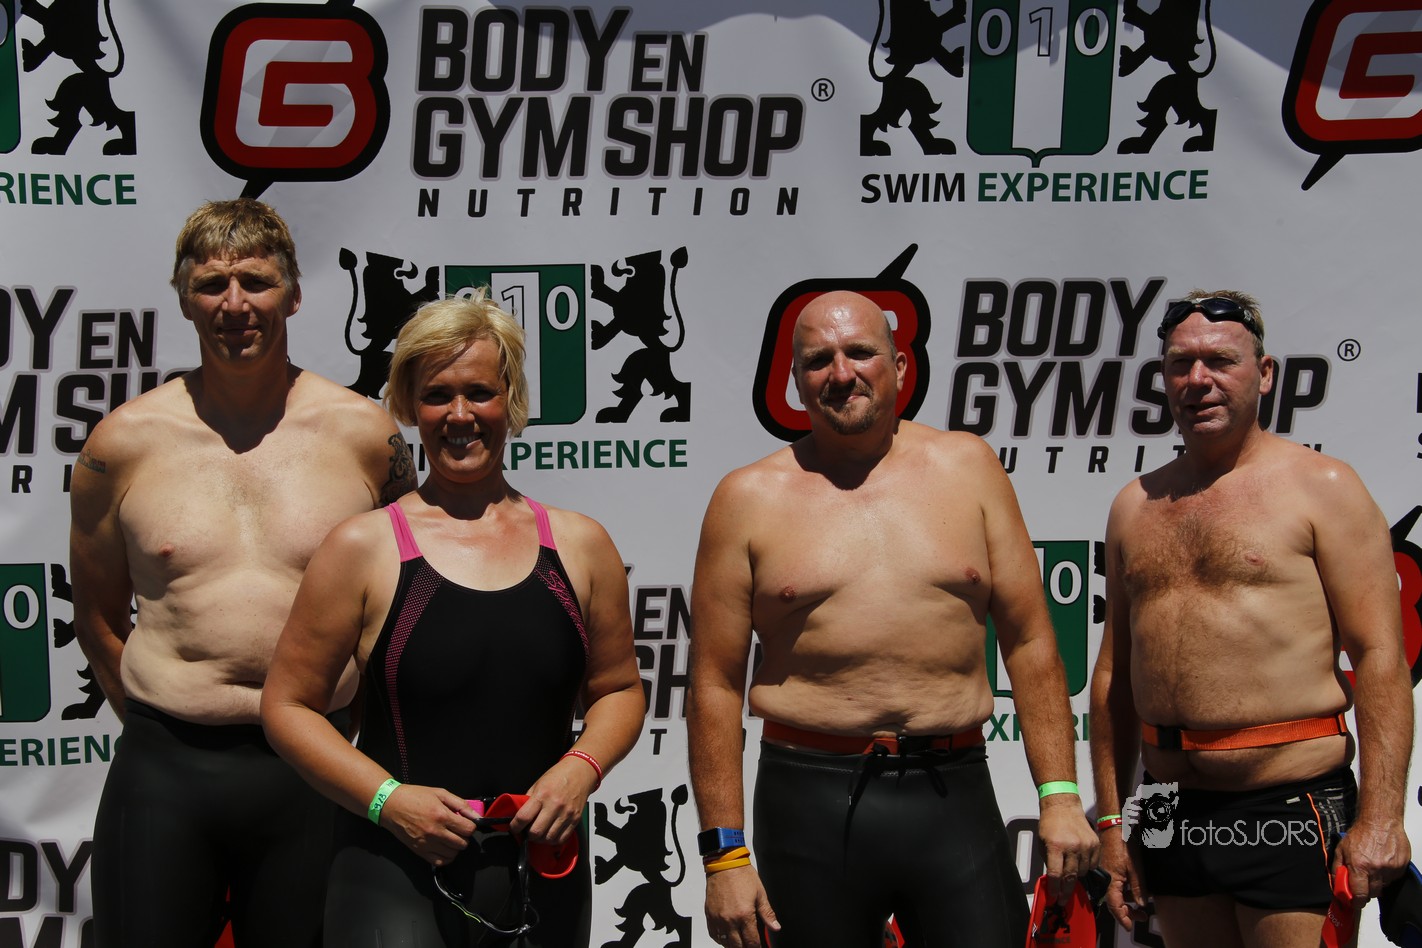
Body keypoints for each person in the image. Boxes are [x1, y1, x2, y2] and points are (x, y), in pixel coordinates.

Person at [687, 290, 1097, 948]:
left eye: (860, 352)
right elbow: (713, 684)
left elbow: (1029, 642)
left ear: (900, 366)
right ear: (794, 379)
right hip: (807, 800)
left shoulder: (969, 467)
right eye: (818, 359)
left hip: (953, 794)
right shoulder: (747, 498)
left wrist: (1060, 795)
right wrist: (725, 856)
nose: (840, 372)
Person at [69, 198, 417, 947]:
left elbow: (400, 605)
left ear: (294, 293)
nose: (234, 305)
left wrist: (350, 740)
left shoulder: (365, 435)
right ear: (183, 298)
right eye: (211, 285)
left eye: (256, 282)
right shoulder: (120, 444)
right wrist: (161, 722)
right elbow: (96, 617)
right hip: (166, 770)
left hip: (316, 769)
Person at [261, 293, 645, 947]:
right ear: (410, 407)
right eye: (437, 395)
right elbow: (287, 707)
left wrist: (582, 766)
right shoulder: (361, 548)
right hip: (392, 869)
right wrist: (388, 800)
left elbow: (620, 690)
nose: (460, 415)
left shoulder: (581, 545)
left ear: (511, 401)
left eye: (480, 393)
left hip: (542, 870)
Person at [1089, 290, 1413, 947]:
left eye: (1220, 361)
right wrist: (1113, 823)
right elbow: (1115, 677)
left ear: (1264, 374)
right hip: (1170, 806)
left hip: (1289, 805)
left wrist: (1382, 817)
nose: (1198, 380)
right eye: (1180, 364)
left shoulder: (1322, 487)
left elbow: (1380, 656)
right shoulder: (1135, 505)